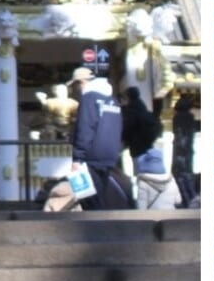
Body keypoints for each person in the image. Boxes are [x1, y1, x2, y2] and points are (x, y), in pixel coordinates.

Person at [70, 73, 130, 210]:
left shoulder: (89, 99)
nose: (76, 90)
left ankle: (98, 229)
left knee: (88, 200)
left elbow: (85, 128)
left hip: (91, 157)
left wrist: (77, 158)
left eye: (75, 85)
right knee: (100, 195)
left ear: (82, 82)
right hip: (109, 156)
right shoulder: (113, 101)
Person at [122, 87, 178, 210]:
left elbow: (126, 130)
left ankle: (143, 202)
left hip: (136, 149)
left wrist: (125, 141)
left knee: (140, 177)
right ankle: (157, 197)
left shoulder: (130, 112)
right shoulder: (144, 110)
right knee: (152, 174)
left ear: (128, 97)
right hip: (149, 148)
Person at [171, 93, 199, 208]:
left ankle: (187, 201)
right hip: (186, 155)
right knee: (187, 178)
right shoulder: (190, 117)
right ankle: (191, 202)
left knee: (180, 178)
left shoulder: (177, 118)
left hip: (179, 154)